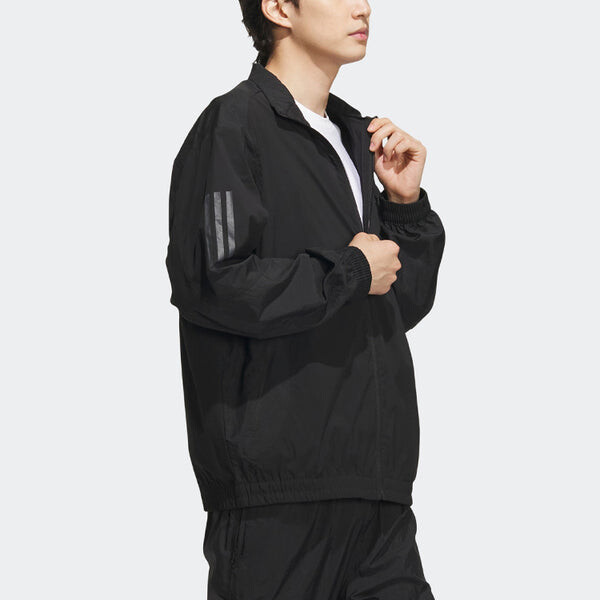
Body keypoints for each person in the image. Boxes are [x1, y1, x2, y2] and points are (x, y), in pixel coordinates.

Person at [165, 1, 445, 597]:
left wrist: (403, 208)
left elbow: (395, 306)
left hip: (378, 500)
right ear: (278, 8)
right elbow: (215, 282)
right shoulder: (234, 125)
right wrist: (348, 270)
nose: (362, 6)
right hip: (277, 505)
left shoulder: (356, 139)